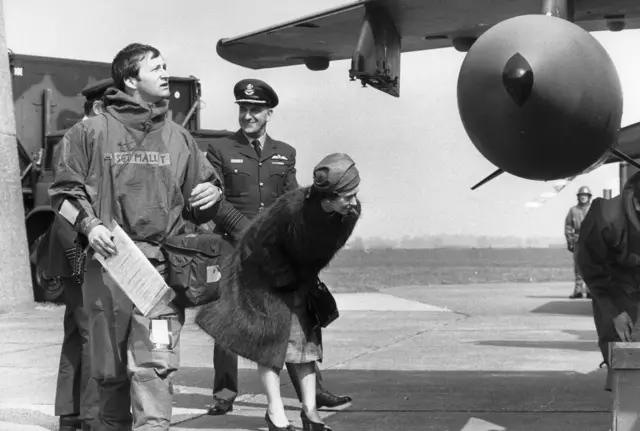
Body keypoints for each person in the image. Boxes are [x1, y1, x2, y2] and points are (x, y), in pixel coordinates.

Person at [48, 42, 243, 431]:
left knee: (156, 365)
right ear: (131, 79)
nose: (166, 73)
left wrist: (212, 194)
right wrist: (91, 225)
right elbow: (63, 198)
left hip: (162, 277)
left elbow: (202, 196)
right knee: (109, 369)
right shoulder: (89, 133)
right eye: (156, 67)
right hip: (107, 271)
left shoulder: (180, 139)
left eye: (166, 65)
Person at [204, 78, 352, 416]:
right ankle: (224, 393)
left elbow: (290, 199)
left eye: (255, 110)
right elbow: (216, 200)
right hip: (235, 247)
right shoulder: (221, 149)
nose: (247, 115)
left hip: (275, 248)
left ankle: (312, 392)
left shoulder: (285, 153)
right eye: (243, 108)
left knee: (298, 315)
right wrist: (250, 232)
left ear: (269, 113)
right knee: (227, 316)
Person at [196, 153, 362, 431]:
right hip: (263, 276)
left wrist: (303, 281)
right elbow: (258, 243)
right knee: (271, 345)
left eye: (355, 195)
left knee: (306, 346)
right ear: (328, 197)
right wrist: (285, 280)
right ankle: (276, 413)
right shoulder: (291, 208)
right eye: (347, 196)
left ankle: (310, 414)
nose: (354, 202)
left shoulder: (349, 214)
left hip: (298, 277)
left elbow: (322, 249)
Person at [50, 77, 113, 431]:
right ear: (101, 107)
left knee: (76, 334)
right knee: (93, 335)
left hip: (72, 249)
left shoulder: (75, 136)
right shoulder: (86, 137)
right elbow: (64, 202)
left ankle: (70, 413)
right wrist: (78, 258)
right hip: (80, 249)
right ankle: (92, 416)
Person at [576, 172, 640, 391]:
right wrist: (614, 312)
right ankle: (621, 388)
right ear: (639, 205)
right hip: (615, 280)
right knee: (621, 335)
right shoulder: (605, 217)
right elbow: (591, 269)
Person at [565, 186, 593, 299]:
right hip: (577, 240)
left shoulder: (593, 209)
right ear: (578, 197)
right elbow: (568, 227)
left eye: (585, 196)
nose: (583, 198)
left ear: (589, 197)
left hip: (591, 241)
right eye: (581, 196)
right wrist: (570, 241)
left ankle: (591, 291)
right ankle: (578, 291)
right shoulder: (573, 211)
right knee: (578, 267)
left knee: (591, 267)